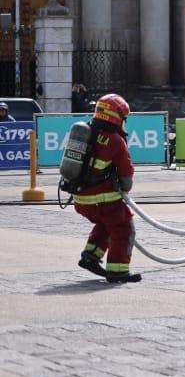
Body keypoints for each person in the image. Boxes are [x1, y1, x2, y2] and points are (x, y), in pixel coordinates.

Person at [73, 94, 140, 283]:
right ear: (117, 117)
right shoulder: (115, 140)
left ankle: (90, 256)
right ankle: (118, 271)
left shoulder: (85, 131)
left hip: (80, 199)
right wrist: (124, 187)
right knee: (124, 229)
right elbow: (126, 177)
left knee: (106, 224)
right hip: (103, 199)